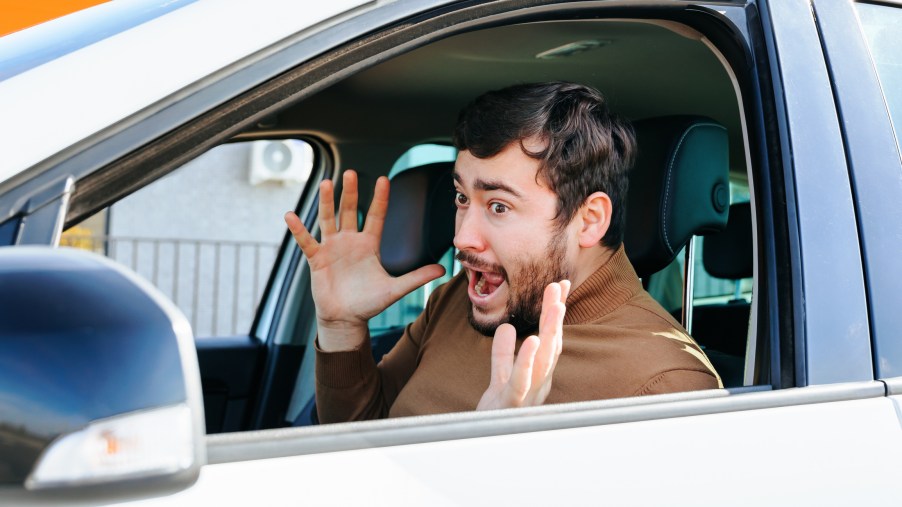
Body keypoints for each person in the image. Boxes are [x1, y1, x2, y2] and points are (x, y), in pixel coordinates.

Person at [285, 82, 721, 423]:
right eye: (461, 198)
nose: (462, 239)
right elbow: (364, 431)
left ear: (588, 220)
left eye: (498, 206)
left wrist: (498, 455)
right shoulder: (458, 300)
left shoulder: (665, 385)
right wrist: (340, 327)